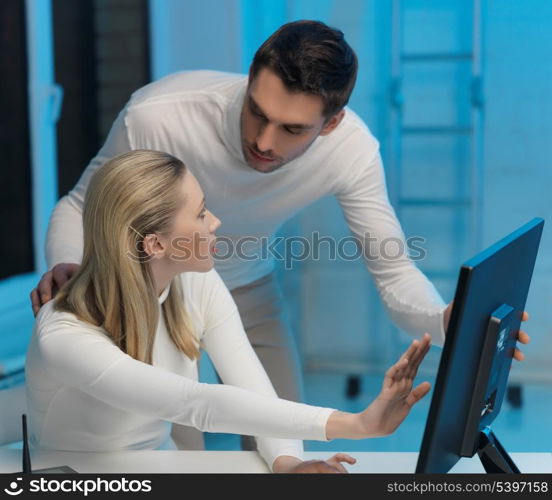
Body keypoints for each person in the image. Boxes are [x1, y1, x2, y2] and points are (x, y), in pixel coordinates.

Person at [30, 20, 530, 452]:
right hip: (149, 293)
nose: (264, 143)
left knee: (286, 439)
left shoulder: (351, 151)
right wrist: (69, 264)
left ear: (331, 123)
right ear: (249, 83)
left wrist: (448, 321)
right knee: (177, 449)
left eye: (292, 129)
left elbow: (394, 268)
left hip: (246, 290)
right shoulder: (159, 115)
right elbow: (79, 204)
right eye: (257, 113)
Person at [26, 150, 434, 473]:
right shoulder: (64, 333)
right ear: (154, 245)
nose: (215, 222)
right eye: (201, 213)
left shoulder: (194, 281)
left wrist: (286, 461)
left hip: (159, 465)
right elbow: (198, 403)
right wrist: (357, 424)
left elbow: (251, 386)